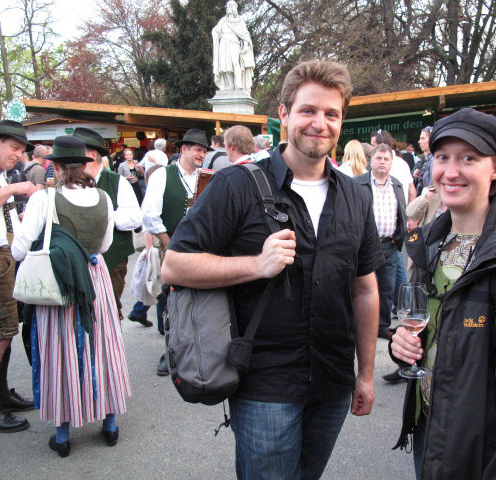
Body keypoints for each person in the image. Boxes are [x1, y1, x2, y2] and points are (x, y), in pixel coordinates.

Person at [162, 60, 383, 480]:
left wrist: (366, 373)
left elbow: (365, 289)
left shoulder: (356, 197)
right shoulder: (238, 185)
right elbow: (173, 265)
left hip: (333, 381)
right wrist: (256, 265)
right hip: (265, 384)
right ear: (283, 114)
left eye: (331, 114)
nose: (319, 123)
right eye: (308, 111)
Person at [390, 108, 496, 480]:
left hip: (485, 448)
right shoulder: (430, 244)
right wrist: (401, 346)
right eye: (442, 157)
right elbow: (433, 331)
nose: (451, 172)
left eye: (469, 158)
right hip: (430, 430)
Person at [11, 135, 130, 457]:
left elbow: (19, 249)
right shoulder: (104, 198)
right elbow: (103, 247)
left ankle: (63, 433)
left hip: (61, 281)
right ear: (85, 163)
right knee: (101, 345)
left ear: (55, 165)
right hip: (95, 279)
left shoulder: (43, 200)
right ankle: (109, 423)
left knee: (61, 350)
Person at [132, 128, 211, 374]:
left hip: (201, 248)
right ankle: (170, 352)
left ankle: (198, 350)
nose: (201, 154)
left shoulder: (207, 177)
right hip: (172, 247)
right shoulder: (163, 176)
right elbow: (150, 215)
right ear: (184, 149)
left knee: (200, 300)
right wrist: (169, 243)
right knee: (170, 300)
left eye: (204, 150)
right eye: (197, 149)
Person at [0, 120, 37, 433]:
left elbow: (3, 216)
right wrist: (14, 188)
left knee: (6, 329)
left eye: (21, 150)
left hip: (4, 257)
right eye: (14, 148)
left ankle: (0, 396)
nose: (18, 155)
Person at [77, 128, 142, 322]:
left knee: (109, 315)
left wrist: (101, 215)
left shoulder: (117, 182)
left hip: (112, 261)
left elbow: (134, 218)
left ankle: (109, 352)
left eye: (78, 152)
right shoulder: (69, 183)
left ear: (92, 154)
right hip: (77, 261)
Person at [354, 143, 407, 341]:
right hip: (365, 246)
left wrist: (399, 236)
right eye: (379, 158)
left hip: (389, 246)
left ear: (392, 162)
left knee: (387, 289)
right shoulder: (357, 183)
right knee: (361, 287)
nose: (382, 162)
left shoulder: (397, 184)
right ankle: (358, 324)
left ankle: (382, 326)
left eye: (386, 159)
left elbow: (401, 211)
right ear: (371, 161)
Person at [212, 0, 255, 93]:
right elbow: (215, 31)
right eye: (228, 6)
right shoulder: (223, 20)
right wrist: (216, 34)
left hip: (234, 44)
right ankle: (230, 84)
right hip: (223, 44)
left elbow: (245, 35)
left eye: (231, 6)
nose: (229, 8)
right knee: (225, 65)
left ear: (235, 8)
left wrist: (246, 44)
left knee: (235, 63)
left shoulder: (239, 21)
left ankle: (238, 83)